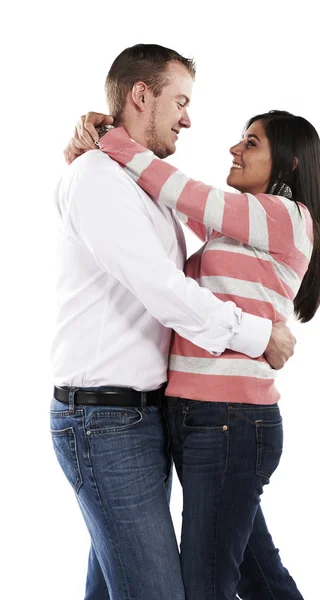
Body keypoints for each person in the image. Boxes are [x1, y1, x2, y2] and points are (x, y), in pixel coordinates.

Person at [54, 43, 296, 600]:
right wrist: (262, 336)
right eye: (180, 101)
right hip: (103, 421)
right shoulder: (97, 178)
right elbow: (166, 292)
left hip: (145, 416)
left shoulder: (143, 182)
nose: (189, 117)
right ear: (142, 96)